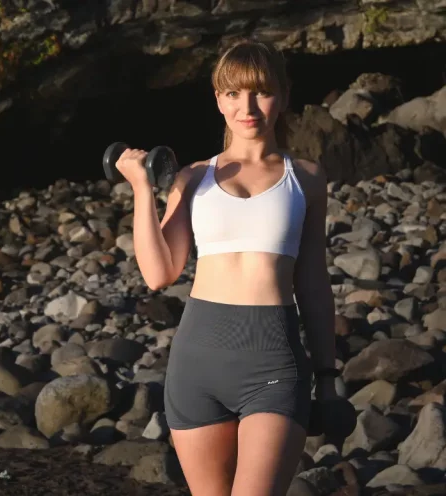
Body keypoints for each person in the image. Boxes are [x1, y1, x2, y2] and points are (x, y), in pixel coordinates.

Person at [115, 38, 338, 496]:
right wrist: (142, 191)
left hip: (273, 364)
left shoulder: (308, 178)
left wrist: (329, 378)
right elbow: (160, 274)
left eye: (261, 91)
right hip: (197, 365)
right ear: (218, 100)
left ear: (285, 95)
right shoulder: (192, 177)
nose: (247, 106)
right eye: (233, 93)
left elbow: (313, 284)